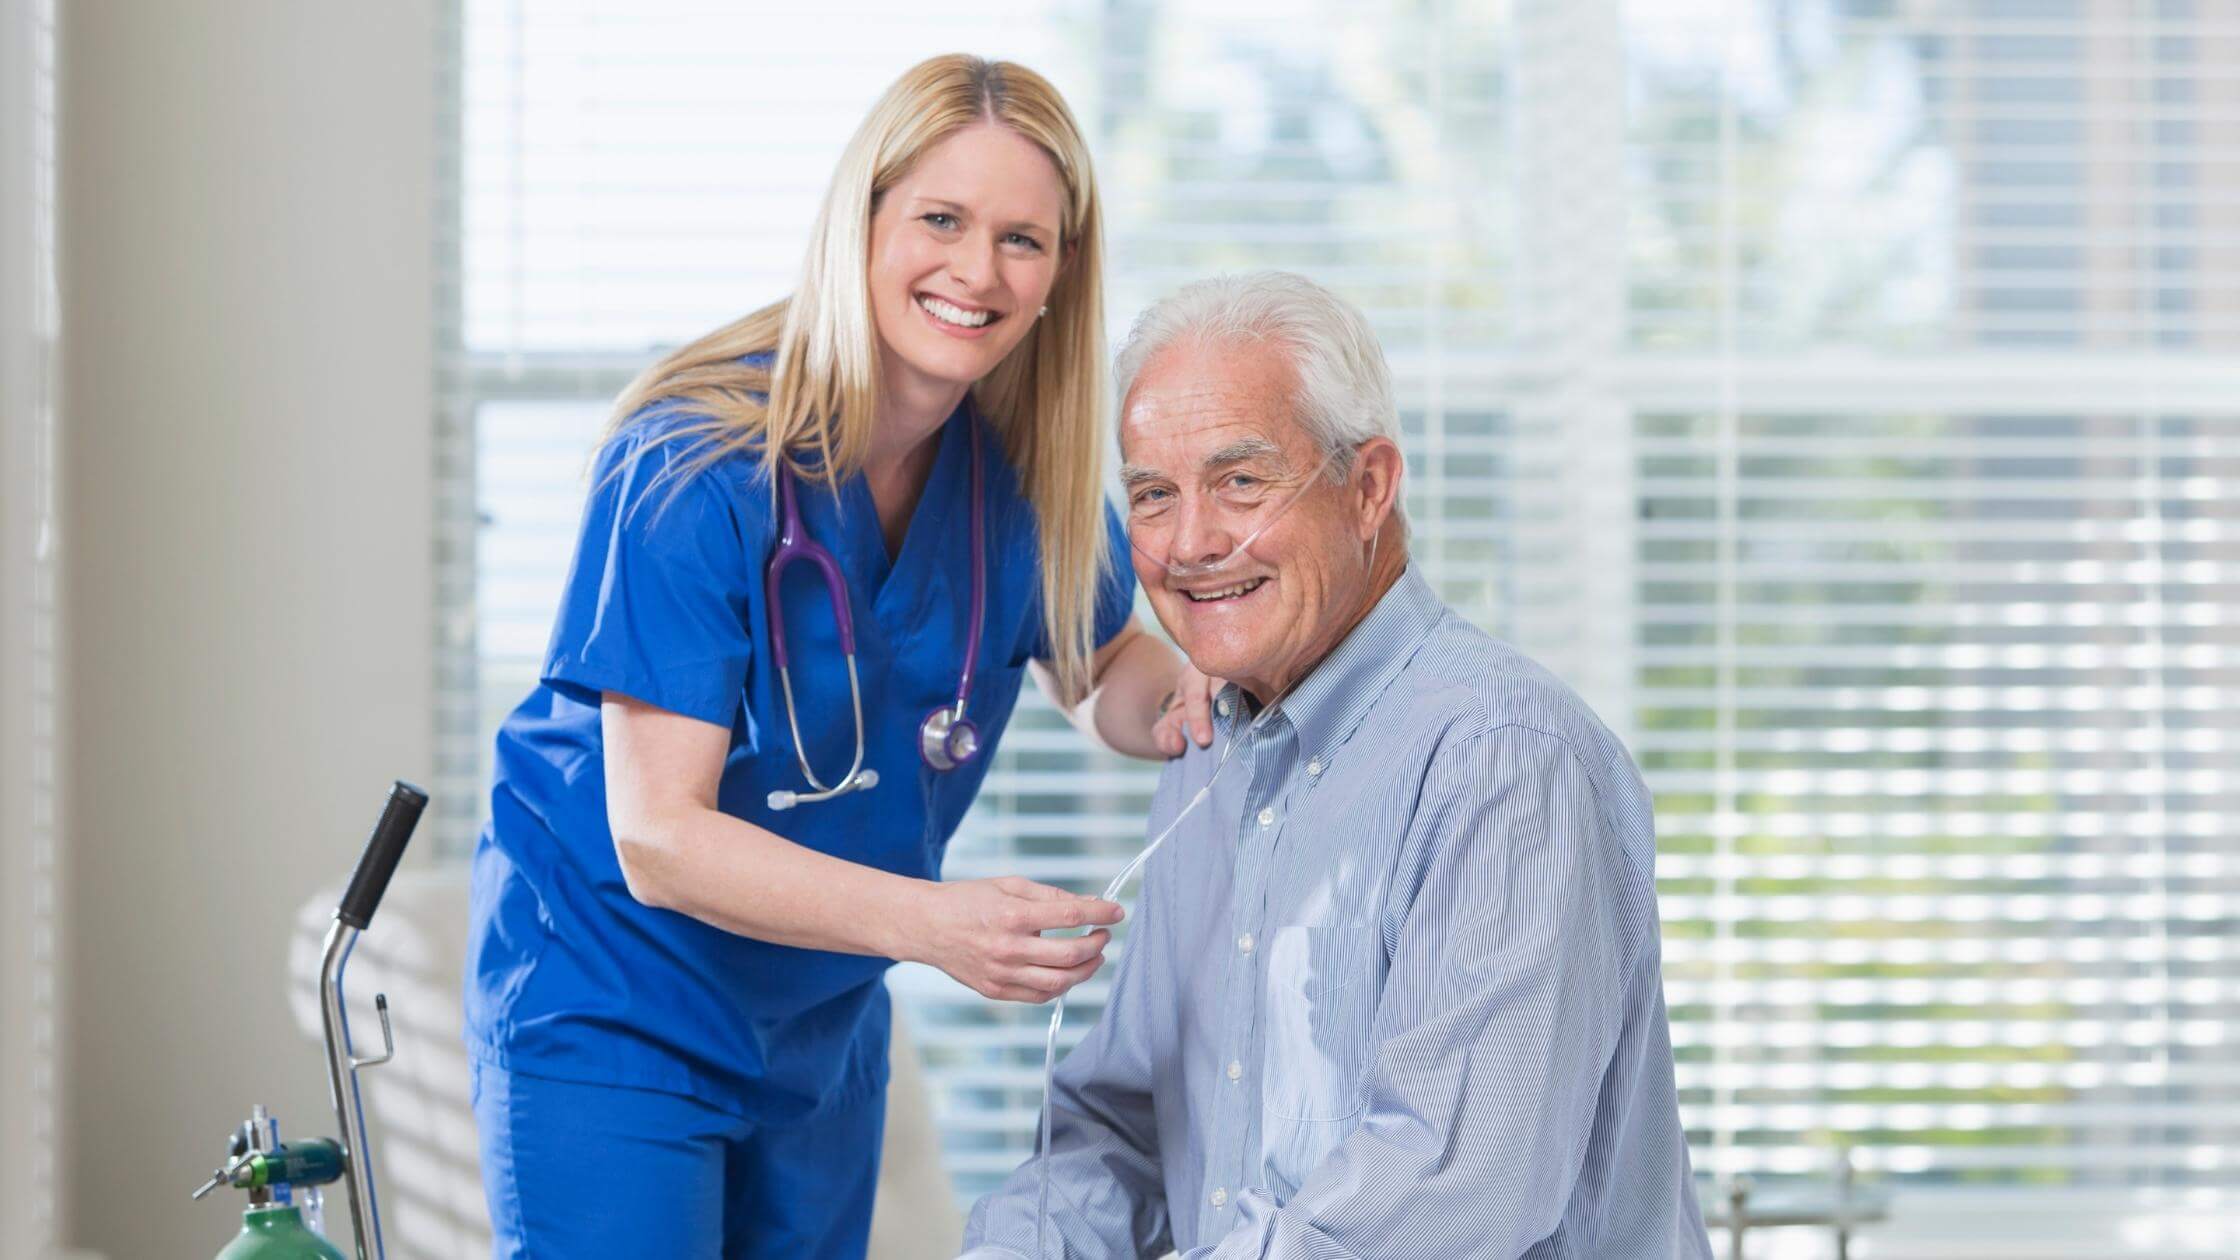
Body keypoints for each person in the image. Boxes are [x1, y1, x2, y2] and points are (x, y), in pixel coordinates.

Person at [461, 55, 1214, 1259]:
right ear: (858, 219)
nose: (977, 271)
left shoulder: (1016, 478)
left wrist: (1183, 701)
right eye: (939, 220)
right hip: (614, 995)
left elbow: (1100, 655)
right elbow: (656, 835)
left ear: (1060, 274)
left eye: (1023, 239)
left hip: (819, 1011)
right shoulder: (694, 464)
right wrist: (935, 923)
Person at [961, 272, 1713, 1259]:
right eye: (1152, 494)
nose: (1189, 543)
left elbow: (1444, 1196)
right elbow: (1124, 1134)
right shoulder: (1205, 754)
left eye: (1240, 481)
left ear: (1367, 487)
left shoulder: (1505, 765)